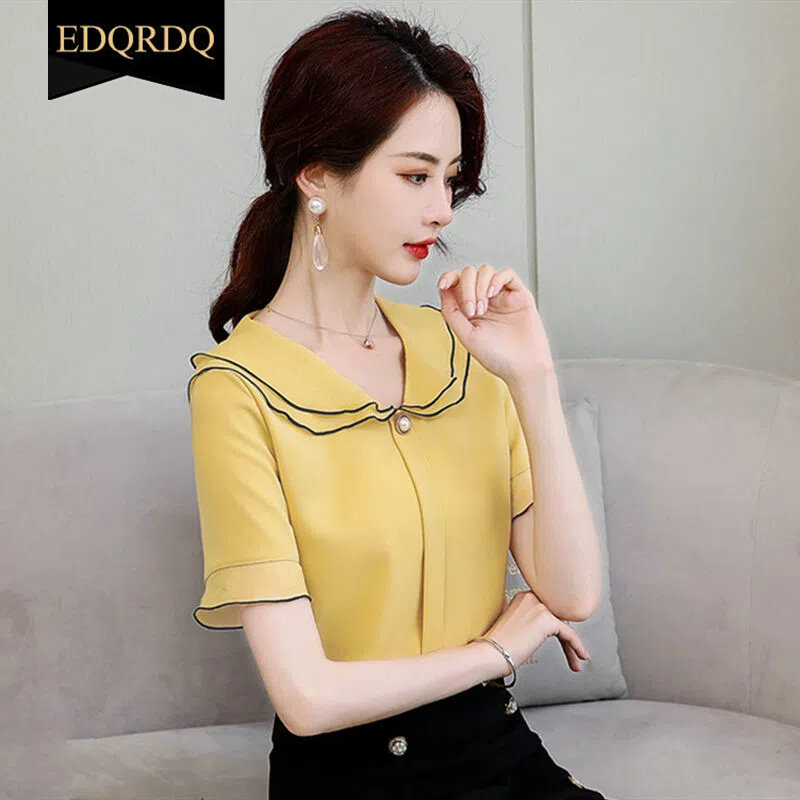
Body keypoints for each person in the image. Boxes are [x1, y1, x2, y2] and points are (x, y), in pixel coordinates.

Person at [186, 9, 608, 799]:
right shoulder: (236, 390)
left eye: (450, 180)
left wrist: (533, 377)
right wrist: (496, 653)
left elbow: (572, 591)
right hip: (355, 782)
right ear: (317, 174)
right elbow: (307, 699)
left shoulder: (460, 348)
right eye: (415, 176)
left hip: (504, 758)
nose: (442, 208)